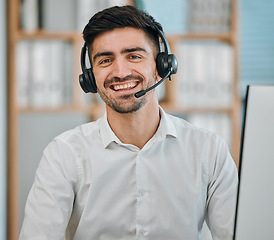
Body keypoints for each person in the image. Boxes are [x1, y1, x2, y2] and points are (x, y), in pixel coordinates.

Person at [19, 5, 238, 240]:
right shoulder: (64, 154)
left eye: (134, 56)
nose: (120, 72)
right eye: (105, 60)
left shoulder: (209, 150)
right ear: (90, 77)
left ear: (160, 67)